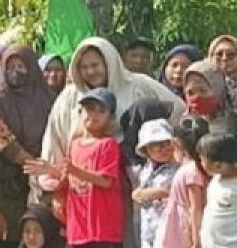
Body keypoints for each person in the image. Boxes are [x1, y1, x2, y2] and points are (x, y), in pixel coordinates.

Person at [29, 87, 125, 248]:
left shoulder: (108, 145)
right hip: (79, 222)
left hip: (103, 222)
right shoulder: (74, 144)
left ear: (110, 117)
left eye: (100, 110)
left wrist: (76, 172)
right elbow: (66, 178)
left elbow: (106, 180)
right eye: (88, 109)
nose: (92, 115)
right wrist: (49, 170)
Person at [41, 37, 183, 170]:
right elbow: (54, 137)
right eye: (84, 67)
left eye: (95, 65)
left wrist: (169, 150)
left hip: (133, 172)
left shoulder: (138, 84)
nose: (90, 71)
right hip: (81, 176)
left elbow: (178, 110)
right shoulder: (70, 96)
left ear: (109, 63)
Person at [0, 46, 56, 248]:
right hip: (4, 189)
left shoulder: (48, 97)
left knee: (43, 243)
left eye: (21, 66)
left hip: (44, 183)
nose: (15, 71)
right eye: (10, 67)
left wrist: (46, 170)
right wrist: (31, 164)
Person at [153, 116, 210, 248]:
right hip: (178, 225)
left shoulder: (191, 171)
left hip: (183, 230)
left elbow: (194, 208)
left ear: (176, 143)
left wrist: (196, 241)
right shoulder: (192, 170)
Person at [133, 119, 179, 248]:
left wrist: (155, 193)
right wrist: (137, 194)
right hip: (148, 232)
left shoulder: (179, 167)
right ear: (146, 150)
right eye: (155, 145)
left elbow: (179, 189)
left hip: (171, 233)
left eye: (166, 143)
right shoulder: (145, 170)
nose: (162, 149)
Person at [183, 60, 237, 135]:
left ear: (217, 87)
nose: (196, 97)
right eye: (190, 92)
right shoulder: (188, 118)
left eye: (202, 91)